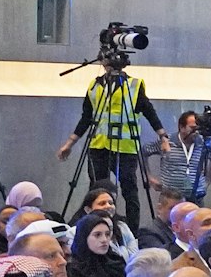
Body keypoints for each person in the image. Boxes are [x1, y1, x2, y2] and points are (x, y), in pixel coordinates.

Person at [55, 56, 170, 230]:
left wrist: (163, 137)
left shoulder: (133, 85)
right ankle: (96, 226)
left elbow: (149, 112)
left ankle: (131, 232)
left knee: (129, 191)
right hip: (98, 146)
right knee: (97, 191)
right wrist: (70, 143)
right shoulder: (94, 85)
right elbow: (87, 117)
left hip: (126, 147)